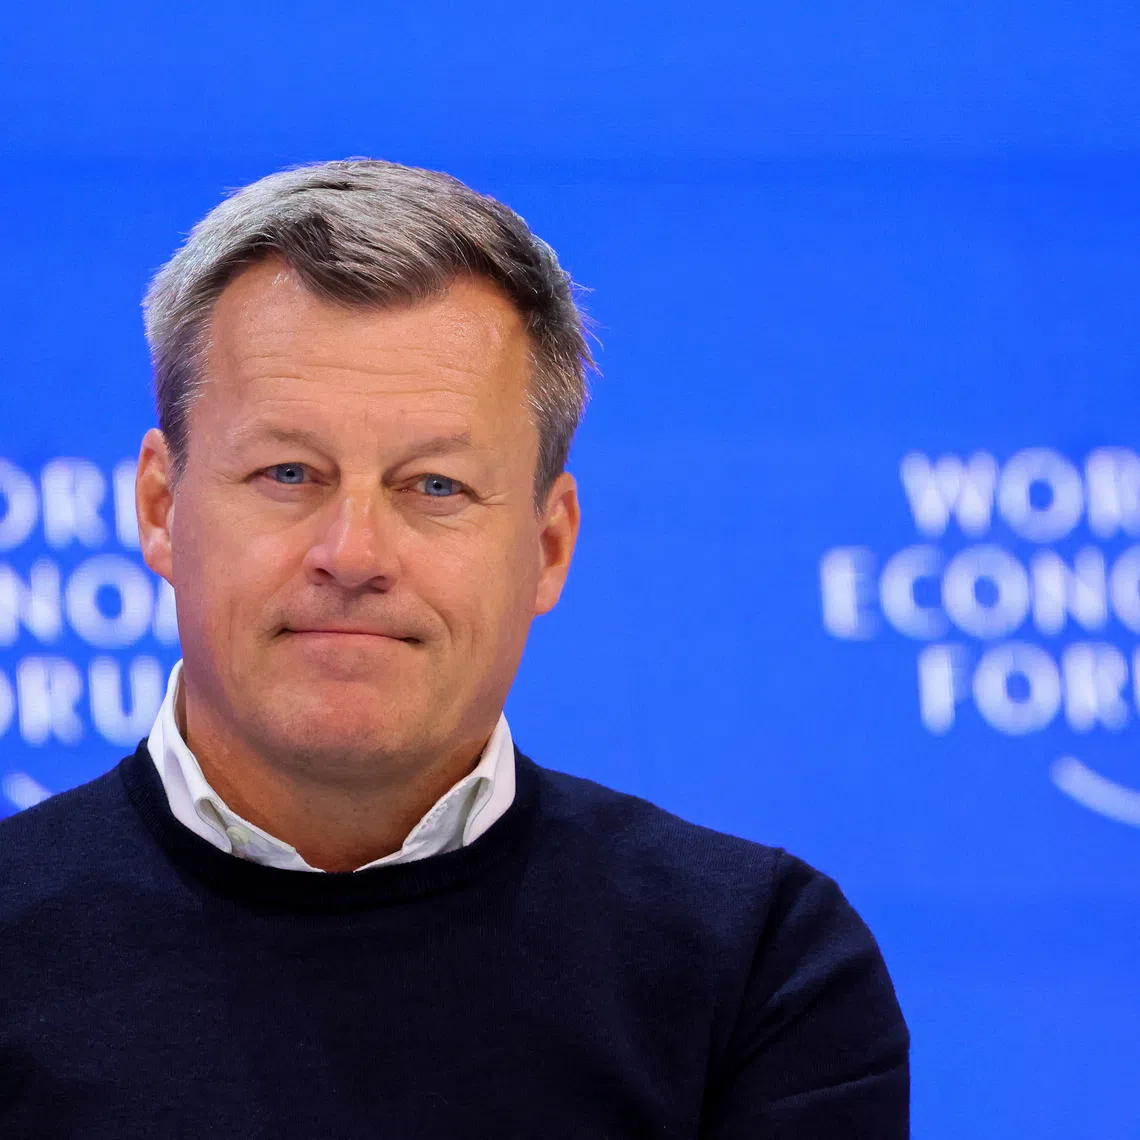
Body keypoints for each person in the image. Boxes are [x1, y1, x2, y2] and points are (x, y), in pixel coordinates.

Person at [0, 159, 909, 1137]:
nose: (353, 554)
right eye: (288, 472)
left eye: (435, 486)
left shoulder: (757, 967)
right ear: (161, 508)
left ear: (548, 547)